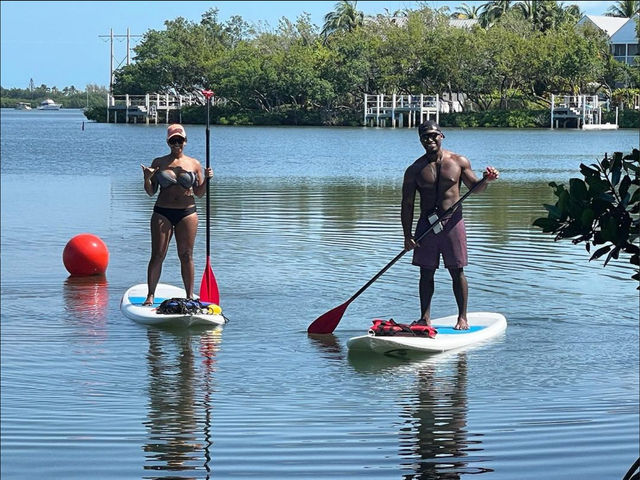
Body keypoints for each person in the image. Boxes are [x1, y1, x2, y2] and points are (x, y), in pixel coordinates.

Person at [401, 120, 499, 330]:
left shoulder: (458, 161)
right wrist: (407, 235)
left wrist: (486, 180)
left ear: (441, 136)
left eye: (433, 135)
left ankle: (462, 317)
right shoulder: (414, 170)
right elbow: (407, 204)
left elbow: (475, 188)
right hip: (426, 226)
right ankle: (424, 318)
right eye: (425, 136)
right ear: (420, 140)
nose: (430, 139)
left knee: (457, 271)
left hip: (453, 223)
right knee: (426, 272)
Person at [140, 124, 213, 305]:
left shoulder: (194, 164)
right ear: (168, 142)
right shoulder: (159, 162)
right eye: (173, 141)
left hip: (187, 213)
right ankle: (150, 295)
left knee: (186, 254)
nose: (176, 144)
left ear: (185, 142)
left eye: (179, 140)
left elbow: (200, 193)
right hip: (162, 212)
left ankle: (190, 295)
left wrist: (208, 179)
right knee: (157, 254)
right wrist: (147, 178)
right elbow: (150, 192)